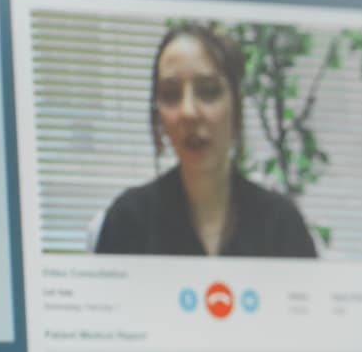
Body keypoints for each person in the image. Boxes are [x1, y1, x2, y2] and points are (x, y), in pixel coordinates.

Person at [93, 22, 319, 258]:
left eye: (209, 91)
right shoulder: (128, 220)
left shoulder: (281, 223)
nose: (188, 112)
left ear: (236, 105)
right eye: (171, 95)